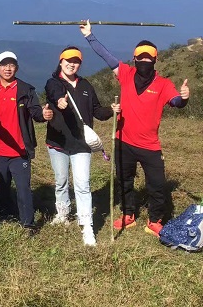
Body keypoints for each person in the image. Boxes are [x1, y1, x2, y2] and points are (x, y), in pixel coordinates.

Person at [80, 20, 190, 236]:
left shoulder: (164, 84)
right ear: (135, 59)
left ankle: (155, 219)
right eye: (141, 57)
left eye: (149, 58)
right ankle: (128, 214)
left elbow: (175, 102)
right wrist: (89, 35)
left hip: (150, 145)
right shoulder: (126, 74)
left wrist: (184, 98)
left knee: (157, 185)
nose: (144, 61)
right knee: (124, 181)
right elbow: (106, 55)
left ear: (155, 60)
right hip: (124, 141)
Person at [44, 46, 113, 246]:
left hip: (82, 144)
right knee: (62, 181)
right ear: (60, 61)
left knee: (82, 185)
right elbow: (54, 93)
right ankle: (63, 213)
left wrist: (112, 110)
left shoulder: (85, 85)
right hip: (58, 141)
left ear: (80, 64)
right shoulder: (53, 82)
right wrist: (60, 102)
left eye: (76, 61)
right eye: (68, 60)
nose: (71, 64)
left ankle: (87, 226)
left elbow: (97, 111)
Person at [0, 51, 53, 234]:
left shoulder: (25, 89)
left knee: (23, 187)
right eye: (4, 65)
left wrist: (43, 116)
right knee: (2, 184)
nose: (8, 68)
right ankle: (5, 213)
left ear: (17, 68)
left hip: (21, 150)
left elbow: (35, 111)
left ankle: (28, 222)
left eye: (11, 65)